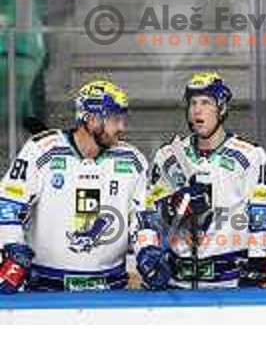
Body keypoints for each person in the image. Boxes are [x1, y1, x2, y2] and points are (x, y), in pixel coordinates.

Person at [0, 79, 153, 292]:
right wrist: (13, 245)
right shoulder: (41, 150)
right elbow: (8, 203)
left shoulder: (133, 159)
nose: (122, 127)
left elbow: (143, 218)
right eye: (115, 119)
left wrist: (148, 250)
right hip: (45, 290)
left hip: (112, 292)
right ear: (91, 120)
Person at [141, 71, 266, 290]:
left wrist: (259, 266)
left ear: (222, 108)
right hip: (177, 282)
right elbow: (150, 213)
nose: (197, 110)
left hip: (229, 283)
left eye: (206, 102)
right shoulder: (167, 155)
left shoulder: (251, 155)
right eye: (193, 103)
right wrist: (171, 206)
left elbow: (261, 215)